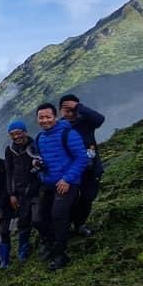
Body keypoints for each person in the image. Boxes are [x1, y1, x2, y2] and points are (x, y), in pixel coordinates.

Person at [33, 103, 89, 271]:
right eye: (41, 118)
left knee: (58, 216)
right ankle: (51, 244)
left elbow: (81, 158)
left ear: (55, 117)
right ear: (37, 119)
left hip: (67, 184)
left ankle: (60, 255)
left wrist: (67, 179)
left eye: (48, 117)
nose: (45, 120)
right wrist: (37, 164)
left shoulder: (68, 133)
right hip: (48, 183)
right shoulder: (40, 138)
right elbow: (42, 159)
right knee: (39, 218)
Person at [59, 94, 106, 236]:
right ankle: (66, 226)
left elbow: (100, 119)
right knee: (70, 199)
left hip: (91, 168)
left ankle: (80, 224)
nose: (68, 111)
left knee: (87, 197)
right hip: (70, 171)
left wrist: (78, 107)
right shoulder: (59, 127)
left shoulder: (85, 121)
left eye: (71, 107)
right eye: (64, 108)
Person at [4, 120, 41, 260]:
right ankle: (23, 247)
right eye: (12, 134)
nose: (16, 137)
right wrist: (11, 194)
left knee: (38, 218)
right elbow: (9, 172)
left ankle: (46, 242)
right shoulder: (10, 150)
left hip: (36, 189)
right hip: (20, 192)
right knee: (23, 220)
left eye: (18, 133)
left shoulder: (35, 145)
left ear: (25, 131)